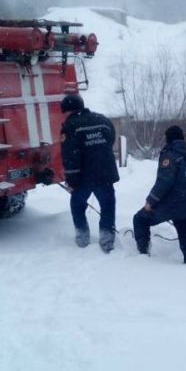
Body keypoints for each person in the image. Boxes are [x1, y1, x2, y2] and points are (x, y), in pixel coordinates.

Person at [133, 125, 186, 265]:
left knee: (140, 219)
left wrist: (150, 202)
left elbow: (165, 181)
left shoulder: (170, 154)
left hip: (175, 204)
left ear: (168, 138)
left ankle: (142, 255)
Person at [59, 93, 120, 252]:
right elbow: (111, 140)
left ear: (68, 110)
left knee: (77, 205)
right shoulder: (103, 119)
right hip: (105, 173)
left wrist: (71, 179)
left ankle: (82, 238)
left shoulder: (70, 125)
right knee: (107, 205)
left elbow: (70, 155)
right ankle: (107, 239)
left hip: (84, 177)